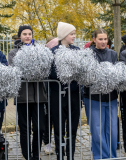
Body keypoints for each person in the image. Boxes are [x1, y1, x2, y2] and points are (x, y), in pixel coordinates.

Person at [8, 25, 47, 160]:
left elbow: (45, 69)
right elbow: (16, 71)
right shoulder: (13, 52)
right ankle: (27, 156)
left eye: (29, 34)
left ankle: (36, 155)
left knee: (40, 128)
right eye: (24, 34)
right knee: (25, 129)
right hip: (23, 96)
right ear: (20, 36)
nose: (27, 36)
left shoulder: (40, 50)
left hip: (39, 97)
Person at [83, 28, 118, 159]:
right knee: (97, 131)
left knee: (112, 130)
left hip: (111, 97)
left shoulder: (113, 54)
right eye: (100, 39)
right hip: (93, 97)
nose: (103, 42)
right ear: (94, 39)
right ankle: (101, 157)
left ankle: (112, 156)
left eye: (105, 39)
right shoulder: (88, 53)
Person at [49, 22, 80, 160]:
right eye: (71, 34)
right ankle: (60, 155)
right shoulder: (52, 52)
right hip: (57, 95)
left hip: (74, 94)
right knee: (59, 128)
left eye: (74, 34)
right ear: (63, 35)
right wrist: (65, 73)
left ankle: (70, 156)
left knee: (72, 128)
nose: (74, 36)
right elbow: (50, 73)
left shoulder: (77, 51)